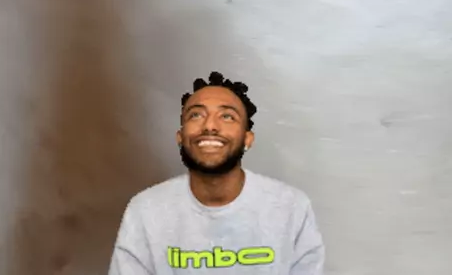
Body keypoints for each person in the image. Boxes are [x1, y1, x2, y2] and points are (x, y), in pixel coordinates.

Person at [108, 71, 325, 273]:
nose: (210, 126)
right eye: (196, 115)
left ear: (247, 139)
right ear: (180, 137)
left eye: (227, 116)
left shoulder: (291, 207)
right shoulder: (146, 211)